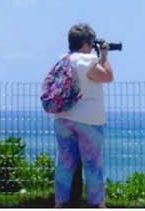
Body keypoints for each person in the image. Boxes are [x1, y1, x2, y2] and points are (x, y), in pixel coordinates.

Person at [54, 23, 113, 208]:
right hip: (89, 120)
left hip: (63, 118)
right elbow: (107, 76)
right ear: (87, 43)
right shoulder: (87, 60)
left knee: (64, 164)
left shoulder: (62, 59)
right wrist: (103, 55)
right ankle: (97, 204)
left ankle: (59, 202)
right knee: (93, 165)